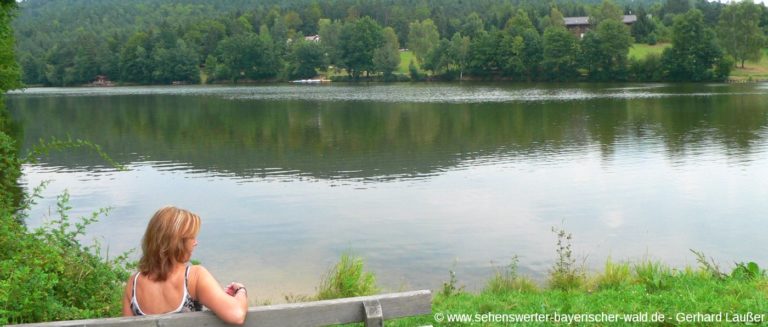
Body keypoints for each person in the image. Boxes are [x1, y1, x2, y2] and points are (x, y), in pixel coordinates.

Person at [122, 206, 248, 324]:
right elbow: (236, 315)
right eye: (192, 237)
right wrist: (241, 291)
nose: (195, 243)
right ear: (177, 243)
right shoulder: (194, 276)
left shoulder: (133, 283)